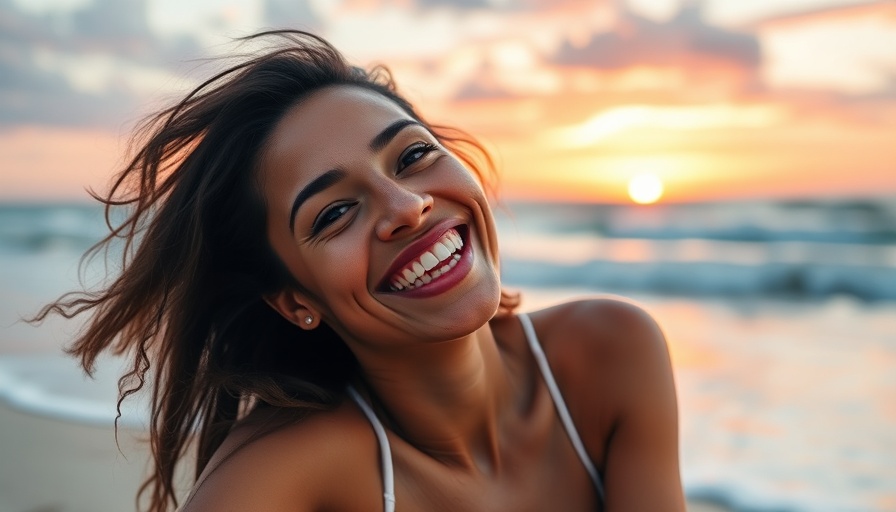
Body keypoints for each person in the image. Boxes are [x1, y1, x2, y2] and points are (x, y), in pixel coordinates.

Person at [36, 31, 684, 511]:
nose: (407, 207)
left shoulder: (610, 353)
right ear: (293, 301)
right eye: (335, 212)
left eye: (411, 156)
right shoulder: (295, 469)